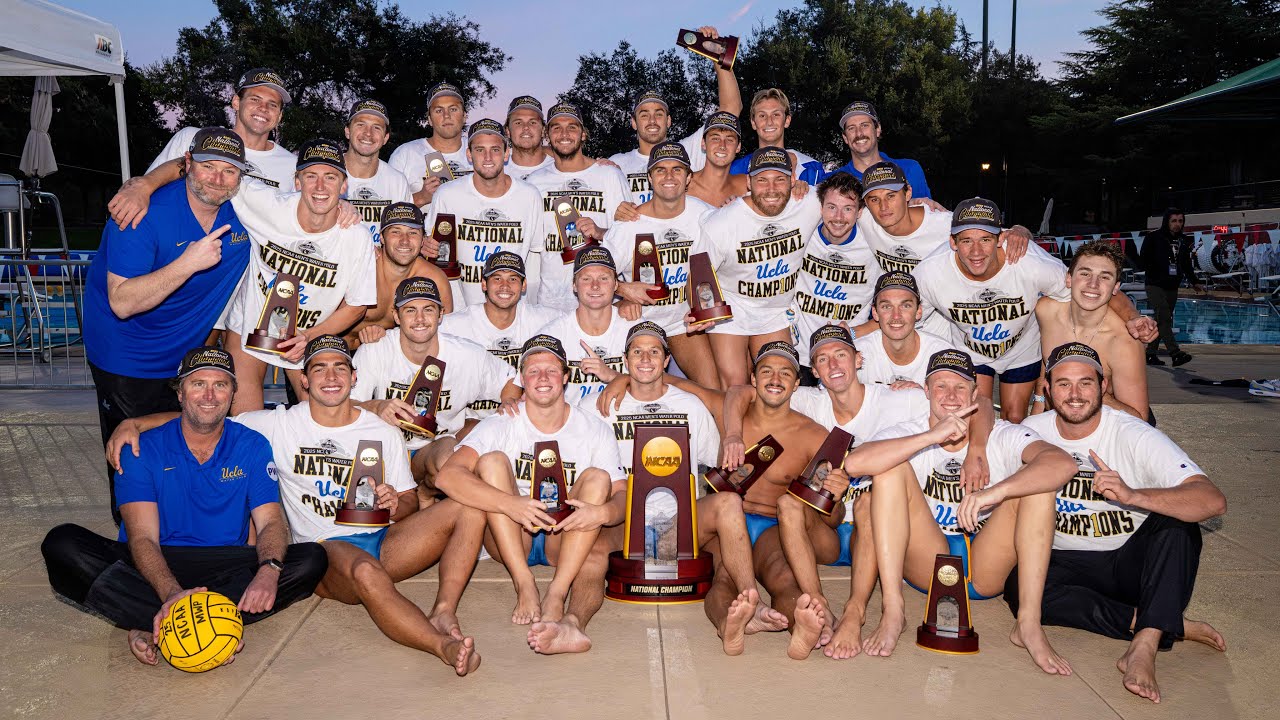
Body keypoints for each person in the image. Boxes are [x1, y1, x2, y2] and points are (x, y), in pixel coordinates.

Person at [109, 336, 488, 675]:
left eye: (340, 367)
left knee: (468, 508)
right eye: (318, 368)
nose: (331, 376)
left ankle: (444, 609)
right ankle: (442, 645)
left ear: (354, 378)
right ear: (303, 381)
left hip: (383, 540)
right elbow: (207, 416)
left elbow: (408, 501)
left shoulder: (382, 431)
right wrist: (136, 423)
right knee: (367, 574)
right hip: (327, 548)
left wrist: (394, 503)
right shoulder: (277, 424)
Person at [42, 347, 327, 667]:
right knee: (62, 544)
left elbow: (271, 521)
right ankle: (200, 620)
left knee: (311, 560)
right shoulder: (140, 448)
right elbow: (142, 539)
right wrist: (170, 594)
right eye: (197, 384)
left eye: (220, 385)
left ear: (233, 394)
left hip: (221, 561)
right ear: (180, 394)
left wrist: (268, 570)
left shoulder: (252, 444)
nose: (209, 394)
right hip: (153, 559)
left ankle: (150, 619)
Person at [1015, 342, 1227, 702]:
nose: (1075, 394)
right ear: (1048, 389)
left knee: (1179, 525)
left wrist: (1133, 496)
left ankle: (1144, 645)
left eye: (1086, 382)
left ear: (1103, 387)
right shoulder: (1030, 431)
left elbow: (1212, 500)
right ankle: (1161, 623)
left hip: (1131, 564)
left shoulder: (1133, 433)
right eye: (1063, 384)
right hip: (1063, 561)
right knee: (1017, 589)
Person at [845, 349, 1078, 674]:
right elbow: (855, 463)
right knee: (888, 467)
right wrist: (930, 436)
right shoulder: (910, 432)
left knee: (1038, 485)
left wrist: (995, 493)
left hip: (986, 562)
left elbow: (1062, 464)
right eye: (940, 386)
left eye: (960, 387)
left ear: (974, 394)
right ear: (926, 392)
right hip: (927, 560)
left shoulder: (999, 434)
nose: (951, 396)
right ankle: (893, 610)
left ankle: (1028, 623)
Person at [721, 326, 931, 659]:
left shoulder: (902, 398)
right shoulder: (804, 399)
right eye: (822, 359)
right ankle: (816, 604)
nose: (833, 365)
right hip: (816, 528)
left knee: (869, 499)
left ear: (858, 359)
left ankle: (857, 612)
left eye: (841, 354)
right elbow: (742, 391)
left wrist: (923, 388)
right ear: (814, 373)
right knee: (789, 507)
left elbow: (968, 401)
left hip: (872, 522)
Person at [581, 322, 789, 654]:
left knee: (727, 507)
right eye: (637, 351)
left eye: (654, 352)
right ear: (625, 359)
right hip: (624, 520)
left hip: (683, 521)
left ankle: (754, 604)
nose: (646, 359)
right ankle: (571, 624)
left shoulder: (690, 406)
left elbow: (719, 464)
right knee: (590, 556)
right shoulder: (598, 407)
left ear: (666, 360)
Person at [83, 128, 253, 523]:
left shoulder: (243, 214)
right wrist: (189, 262)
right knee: (134, 448)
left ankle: (182, 532)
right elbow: (122, 302)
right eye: (209, 166)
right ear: (187, 165)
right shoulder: (142, 213)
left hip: (185, 358)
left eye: (230, 171)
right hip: (126, 355)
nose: (218, 178)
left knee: (189, 441)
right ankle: (133, 538)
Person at [435, 335, 625, 655]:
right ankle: (524, 582)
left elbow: (622, 496)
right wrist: (511, 504)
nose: (542, 378)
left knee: (598, 477)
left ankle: (556, 591)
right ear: (522, 380)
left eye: (551, 370)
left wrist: (602, 513)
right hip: (511, 534)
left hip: (560, 536)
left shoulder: (594, 428)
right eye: (533, 371)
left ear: (566, 378)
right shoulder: (501, 423)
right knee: (492, 460)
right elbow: (447, 476)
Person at [913, 197, 1153, 422]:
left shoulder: (1031, 264)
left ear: (1000, 238)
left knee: (1015, 417)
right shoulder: (930, 273)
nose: (976, 251)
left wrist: (1133, 317)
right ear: (953, 242)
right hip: (971, 346)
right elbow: (902, 314)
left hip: (1020, 349)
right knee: (975, 416)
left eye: (985, 239)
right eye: (966, 241)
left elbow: (1091, 287)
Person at [221, 139, 378, 413]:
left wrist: (309, 337)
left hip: (306, 336)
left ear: (343, 186)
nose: (320, 187)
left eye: (330, 177)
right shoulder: (267, 203)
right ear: (297, 182)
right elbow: (208, 170)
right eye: (311, 176)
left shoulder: (356, 237)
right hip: (250, 326)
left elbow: (358, 305)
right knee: (247, 426)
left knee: (323, 423)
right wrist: (145, 184)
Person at [710, 341, 834, 658]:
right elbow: (673, 383)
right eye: (766, 371)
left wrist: (836, 493)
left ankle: (805, 625)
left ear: (796, 383)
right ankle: (732, 624)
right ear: (753, 379)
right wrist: (619, 378)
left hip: (771, 527)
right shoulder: (729, 412)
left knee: (783, 576)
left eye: (785, 373)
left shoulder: (814, 435)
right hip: (726, 520)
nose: (775, 379)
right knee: (724, 576)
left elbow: (831, 518)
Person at [350, 277, 519, 502]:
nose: (420, 319)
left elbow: (510, 379)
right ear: (397, 316)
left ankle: (427, 492)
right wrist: (376, 405)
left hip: (433, 447)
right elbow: (345, 407)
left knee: (452, 459)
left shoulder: (465, 354)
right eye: (410, 310)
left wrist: (508, 402)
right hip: (385, 451)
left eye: (428, 310)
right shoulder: (375, 351)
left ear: (440, 315)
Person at [695, 147, 821, 389]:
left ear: (793, 180)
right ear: (749, 182)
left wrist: (915, 206)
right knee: (735, 384)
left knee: (779, 376)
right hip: (733, 307)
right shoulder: (724, 221)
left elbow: (850, 204)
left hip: (776, 309)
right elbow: (700, 269)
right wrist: (703, 310)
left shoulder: (809, 202)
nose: (771, 189)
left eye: (780, 180)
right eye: (762, 180)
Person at [603, 141, 719, 388]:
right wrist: (622, 290)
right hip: (640, 322)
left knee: (713, 391)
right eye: (660, 170)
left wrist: (709, 308)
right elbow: (588, 273)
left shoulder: (706, 216)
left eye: (677, 170)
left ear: (688, 177)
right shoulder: (630, 223)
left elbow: (731, 258)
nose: (669, 176)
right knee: (638, 392)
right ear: (649, 177)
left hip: (683, 322)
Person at [609, 28, 742, 203]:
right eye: (644, 115)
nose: (652, 121)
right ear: (633, 122)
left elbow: (731, 108)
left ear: (668, 120)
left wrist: (717, 55)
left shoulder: (686, 151)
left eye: (659, 114)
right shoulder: (617, 164)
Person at [425, 118, 542, 307]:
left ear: (506, 154)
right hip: (460, 311)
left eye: (495, 150)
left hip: (511, 310)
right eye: (480, 150)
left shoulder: (529, 196)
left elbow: (536, 257)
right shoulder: (447, 194)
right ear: (469, 155)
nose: (488, 158)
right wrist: (426, 246)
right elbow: (432, 248)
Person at [525, 102, 630, 312]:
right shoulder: (534, 182)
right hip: (551, 301)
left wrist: (600, 233)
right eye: (556, 127)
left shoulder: (609, 175)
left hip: (601, 298)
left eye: (572, 127)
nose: (564, 134)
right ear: (547, 135)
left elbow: (629, 236)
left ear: (583, 134)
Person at [1032, 240, 1148, 419]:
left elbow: (1139, 419)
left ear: (1116, 287)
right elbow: (1045, 365)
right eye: (1085, 273)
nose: (1093, 284)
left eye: (1105, 277)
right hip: (1056, 417)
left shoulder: (1123, 342)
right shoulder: (1045, 311)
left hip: (1106, 422)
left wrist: (1094, 391)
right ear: (1069, 278)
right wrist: (1036, 417)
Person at [439, 252, 561, 414]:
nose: (505, 285)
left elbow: (579, 323)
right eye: (497, 278)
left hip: (524, 417)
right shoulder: (453, 325)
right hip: (471, 422)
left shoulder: (546, 319)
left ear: (524, 285)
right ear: (484, 284)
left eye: (513, 279)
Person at [788, 171, 880, 383]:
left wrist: (855, 332)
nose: (838, 217)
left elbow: (894, 311)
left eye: (847, 209)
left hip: (846, 355)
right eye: (832, 207)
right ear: (820, 208)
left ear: (859, 212)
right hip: (799, 352)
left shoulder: (874, 247)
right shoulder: (803, 233)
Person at [343, 203, 453, 350]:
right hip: (338, 354)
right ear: (381, 237)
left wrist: (388, 337)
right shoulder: (361, 266)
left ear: (423, 240)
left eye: (413, 233)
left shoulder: (434, 279)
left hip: (393, 357)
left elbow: (445, 337)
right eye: (395, 232)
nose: (405, 240)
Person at [534, 247, 637, 403]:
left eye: (603, 278)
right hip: (569, 423)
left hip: (621, 422)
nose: (595, 286)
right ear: (574, 285)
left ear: (616, 284)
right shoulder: (552, 335)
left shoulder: (635, 330)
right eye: (586, 279)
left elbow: (656, 389)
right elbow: (533, 390)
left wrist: (611, 375)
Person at [854, 272, 955, 387]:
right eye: (887, 307)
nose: (896, 316)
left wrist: (923, 395)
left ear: (918, 311)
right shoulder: (858, 352)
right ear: (875, 313)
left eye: (905, 306)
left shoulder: (943, 355)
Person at [812, 101, 930, 197]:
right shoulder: (830, 182)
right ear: (845, 138)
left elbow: (925, 217)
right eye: (851, 128)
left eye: (864, 125)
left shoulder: (909, 169)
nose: (859, 133)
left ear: (877, 129)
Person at [389, 81, 472, 208]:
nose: (446, 115)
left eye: (453, 109)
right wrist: (421, 197)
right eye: (439, 110)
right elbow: (388, 209)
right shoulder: (405, 154)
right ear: (429, 120)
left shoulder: (481, 151)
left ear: (464, 116)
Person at [341, 99, 412, 247]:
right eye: (361, 125)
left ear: (385, 138)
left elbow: (405, 234)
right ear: (348, 131)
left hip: (379, 268)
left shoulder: (397, 181)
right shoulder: (324, 173)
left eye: (377, 127)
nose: (368, 133)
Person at [1139, 208, 1195, 366]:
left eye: (1180, 221)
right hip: (1155, 284)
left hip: (1172, 286)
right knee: (1164, 317)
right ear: (1167, 222)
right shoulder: (1153, 237)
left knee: (1160, 321)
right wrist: (1157, 268)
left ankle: (1150, 354)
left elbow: (1186, 263)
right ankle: (1175, 353)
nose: (1177, 224)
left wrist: (1194, 280)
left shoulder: (1183, 240)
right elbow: (1143, 259)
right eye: (1174, 221)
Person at [728, 88, 821, 180]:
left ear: (787, 121)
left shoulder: (813, 169)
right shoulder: (733, 171)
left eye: (776, 115)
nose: (769, 122)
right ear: (753, 122)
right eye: (762, 115)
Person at [688, 111, 749, 208]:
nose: (722, 146)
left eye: (729, 140)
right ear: (703, 143)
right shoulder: (683, 185)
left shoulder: (746, 186)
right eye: (715, 139)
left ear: (738, 147)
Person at [504, 95, 555, 179]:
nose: (526, 127)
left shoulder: (561, 167)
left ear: (542, 131)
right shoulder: (493, 166)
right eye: (518, 123)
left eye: (533, 122)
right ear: (508, 131)